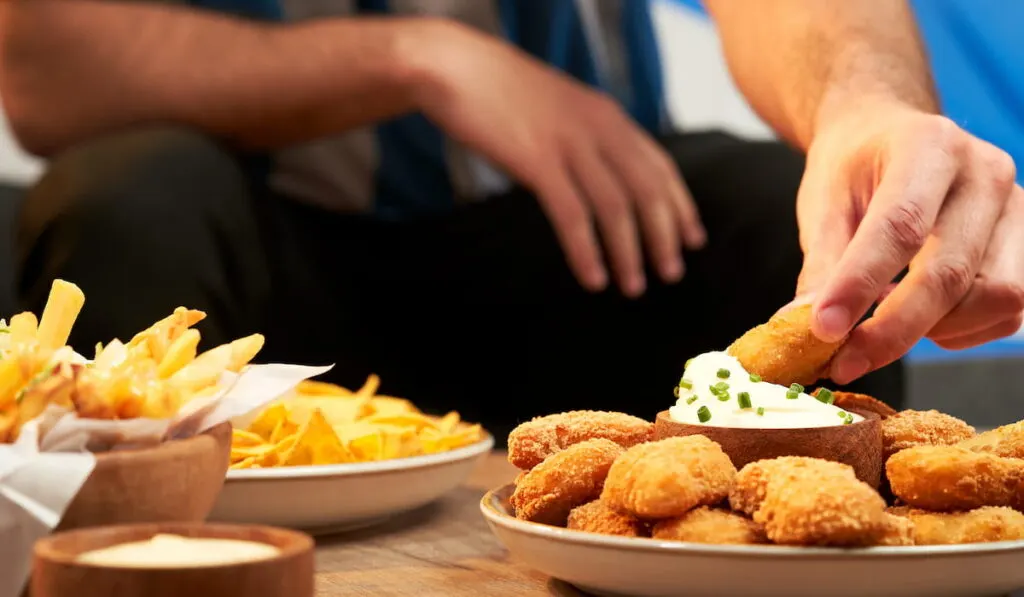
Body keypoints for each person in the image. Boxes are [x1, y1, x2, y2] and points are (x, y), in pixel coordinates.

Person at [1, 1, 1021, 437]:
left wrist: (861, 105)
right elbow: (44, 72)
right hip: (263, 257)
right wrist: (414, 60)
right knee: (122, 201)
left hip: (597, 249)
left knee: (783, 219)